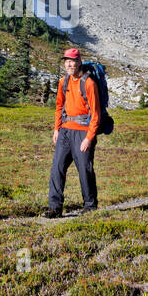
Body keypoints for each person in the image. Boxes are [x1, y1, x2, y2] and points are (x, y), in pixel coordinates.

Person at [46, 47, 100, 218]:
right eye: (66, 61)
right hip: (65, 131)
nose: (69, 64)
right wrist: (57, 128)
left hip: (83, 133)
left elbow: (96, 114)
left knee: (85, 170)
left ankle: (90, 206)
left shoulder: (89, 83)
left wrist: (89, 138)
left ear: (79, 62)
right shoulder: (64, 81)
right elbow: (59, 106)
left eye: (72, 60)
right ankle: (55, 207)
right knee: (57, 169)